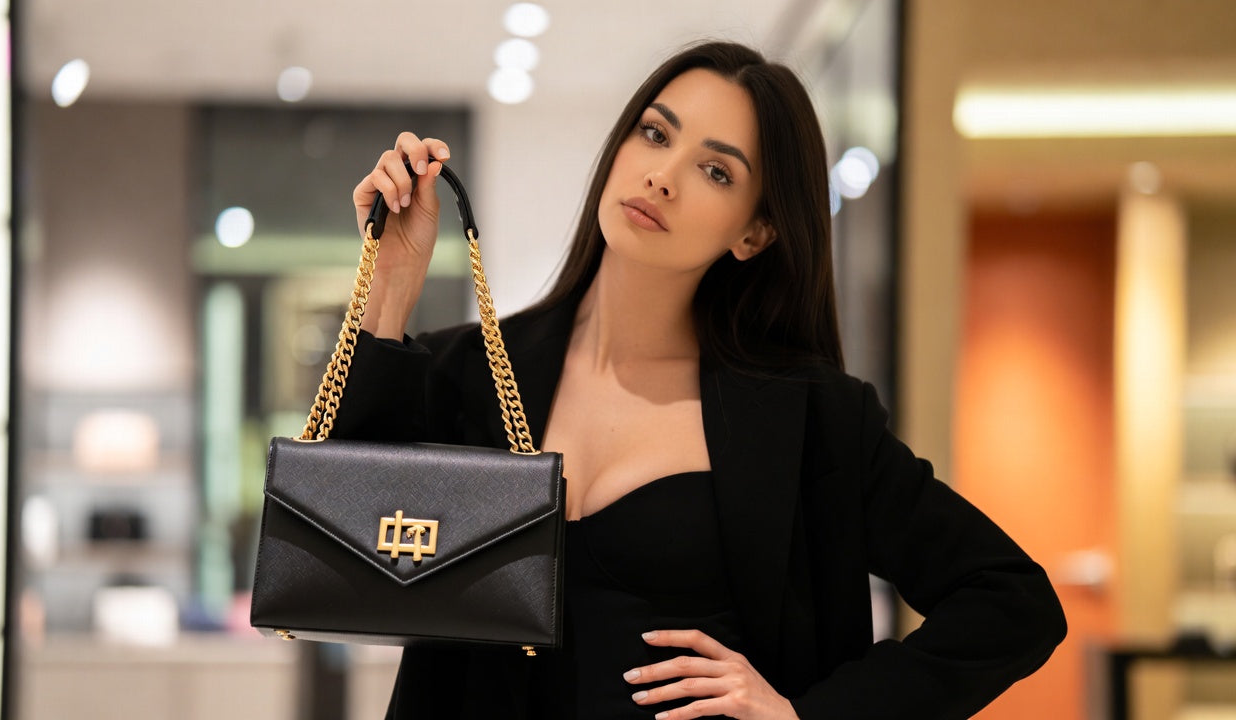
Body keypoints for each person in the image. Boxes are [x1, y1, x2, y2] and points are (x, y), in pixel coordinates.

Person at [333, 40, 1066, 720]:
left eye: (715, 171)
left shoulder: (810, 419)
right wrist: (390, 284)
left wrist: (808, 716)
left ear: (755, 233)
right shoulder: (468, 371)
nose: (663, 175)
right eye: (655, 134)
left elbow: (1011, 602)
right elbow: (343, 559)